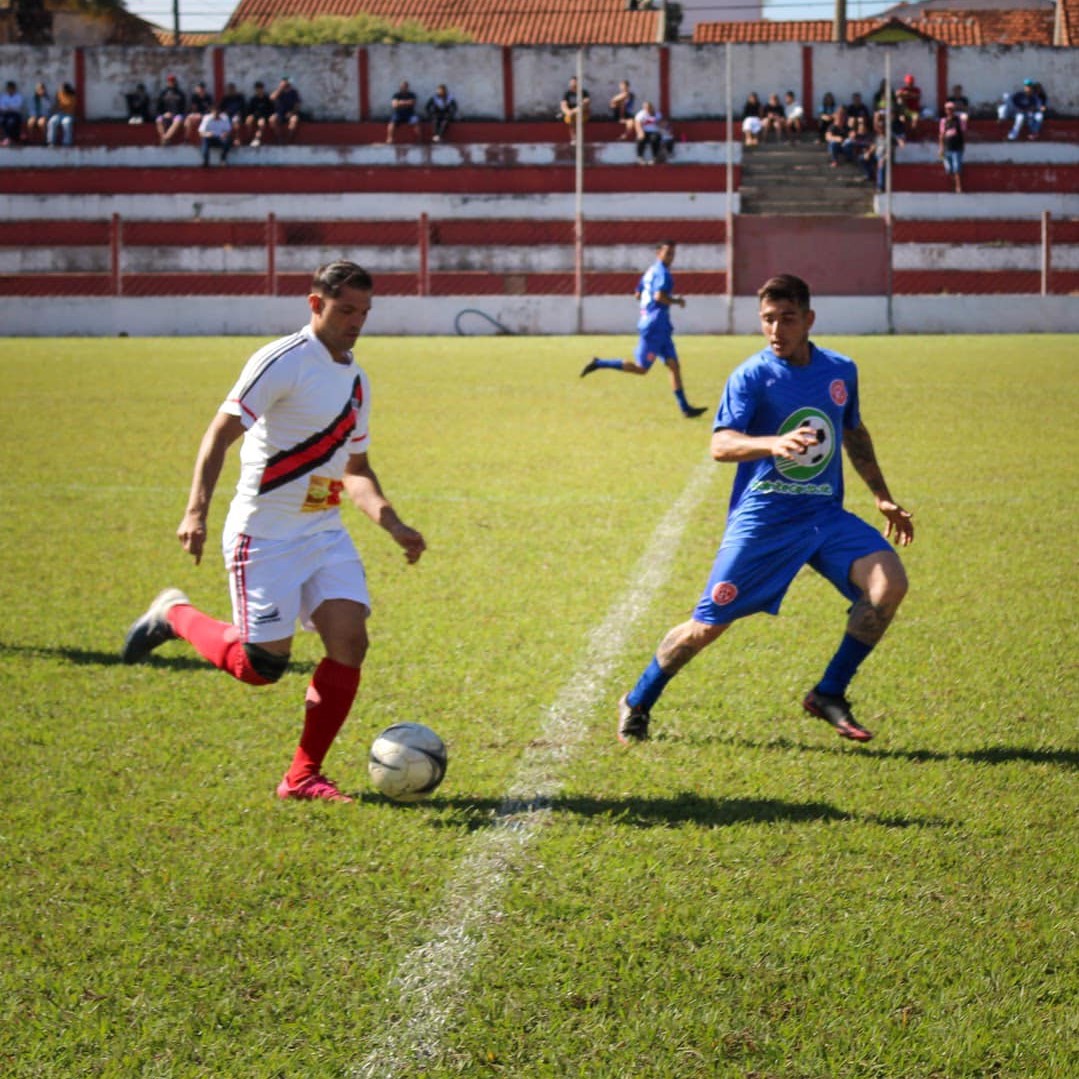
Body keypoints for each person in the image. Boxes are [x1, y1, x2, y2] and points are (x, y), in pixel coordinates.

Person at [120, 261, 426, 803]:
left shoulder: (356, 380)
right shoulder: (283, 360)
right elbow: (220, 433)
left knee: (350, 641)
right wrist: (195, 511)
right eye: (345, 309)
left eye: (364, 312)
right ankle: (174, 615)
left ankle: (302, 776)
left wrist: (393, 522)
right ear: (315, 304)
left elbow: (355, 471)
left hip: (323, 532)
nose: (357, 321)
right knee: (260, 668)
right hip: (263, 536)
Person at [617, 273, 913, 746]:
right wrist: (774, 443)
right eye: (768, 320)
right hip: (765, 520)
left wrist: (881, 494)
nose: (776, 330)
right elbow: (721, 444)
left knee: (889, 585)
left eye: (787, 319)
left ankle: (829, 692)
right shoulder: (752, 375)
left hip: (823, 517)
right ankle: (638, 699)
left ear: (809, 319)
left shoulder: (840, 371)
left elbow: (852, 430)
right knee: (705, 629)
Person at [579, 241, 707, 419]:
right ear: (658, 253)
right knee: (641, 369)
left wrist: (647, 309)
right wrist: (677, 301)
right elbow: (659, 296)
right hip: (655, 326)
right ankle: (599, 363)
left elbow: (637, 294)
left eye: (673, 253)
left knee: (673, 365)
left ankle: (685, 408)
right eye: (668, 253)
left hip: (660, 326)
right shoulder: (663, 273)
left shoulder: (650, 272)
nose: (671, 257)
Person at [938, 100, 966, 194]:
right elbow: (941, 135)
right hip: (947, 148)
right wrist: (941, 148)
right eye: (947, 109)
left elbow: (963, 132)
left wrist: (962, 145)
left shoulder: (959, 120)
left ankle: (958, 186)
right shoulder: (943, 121)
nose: (949, 110)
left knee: (956, 168)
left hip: (957, 148)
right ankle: (953, 185)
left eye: (951, 109)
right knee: (949, 169)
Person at [155, 75, 186, 146]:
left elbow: (182, 107)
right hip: (165, 114)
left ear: (175, 82)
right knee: (158, 120)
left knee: (177, 121)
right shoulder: (163, 93)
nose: (171, 82)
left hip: (177, 115)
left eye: (172, 81)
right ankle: (165, 139)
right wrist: (164, 114)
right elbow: (159, 107)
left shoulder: (180, 93)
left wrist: (173, 114)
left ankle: (165, 138)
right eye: (169, 81)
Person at [269, 76, 301, 144]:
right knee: (272, 119)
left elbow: (297, 105)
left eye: (287, 83)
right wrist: (280, 89)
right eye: (284, 82)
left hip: (290, 113)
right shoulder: (279, 92)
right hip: (280, 113)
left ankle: (288, 138)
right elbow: (272, 98)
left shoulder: (294, 92)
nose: (286, 85)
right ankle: (279, 137)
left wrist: (292, 113)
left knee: (294, 120)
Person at [386, 79, 420, 143]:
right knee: (391, 123)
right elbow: (394, 105)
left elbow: (413, 103)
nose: (404, 88)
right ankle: (390, 138)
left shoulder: (412, 95)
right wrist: (406, 102)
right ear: (400, 87)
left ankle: (418, 139)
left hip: (410, 114)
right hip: (398, 113)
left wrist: (400, 102)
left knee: (416, 122)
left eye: (405, 86)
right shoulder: (396, 95)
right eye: (402, 86)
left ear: (407, 87)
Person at [559, 76, 590, 143]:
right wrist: (568, 112)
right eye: (572, 82)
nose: (573, 84)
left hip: (582, 113)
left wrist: (574, 111)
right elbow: (563, 105)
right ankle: (574, 138)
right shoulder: (567, 94)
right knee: (571, 118)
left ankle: (580, 138)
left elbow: (586, 103)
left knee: (578, 117)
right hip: (570, 114)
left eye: (574, 82)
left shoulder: (584, 93)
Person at [45, 82, 76, 147]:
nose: (61, 90)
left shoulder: (72, 95)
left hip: (69, 114)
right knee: (52, 121)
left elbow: (68, 104)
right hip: (59, 114)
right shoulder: (59, 94)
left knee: (66, 123)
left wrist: (60, 105)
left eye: (63, 89)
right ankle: (51, 141)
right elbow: (56, 104)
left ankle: (66, 142)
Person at [633, 100, 664, 164]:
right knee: (640, 139)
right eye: (646, 107)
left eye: (649, 107)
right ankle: (640, 157)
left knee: (655, 139)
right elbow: (637, 124)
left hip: (654, 132)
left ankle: (655, 157)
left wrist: (658, 122)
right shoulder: (641, 114)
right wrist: (640, 132)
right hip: (644, 131)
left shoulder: (657, 114)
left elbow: (661, 123)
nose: (648, 109)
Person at [245, 81, 273, 148]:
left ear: (262, 89)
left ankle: (257, 139)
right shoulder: (253, 99)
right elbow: (249, 110)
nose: (259, 90)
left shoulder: (267, 99)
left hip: (264, 116)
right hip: (255, 115)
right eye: (257, 88)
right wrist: (250, 116)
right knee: (248, 120)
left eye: (260, 88)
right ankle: (250, 137)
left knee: (261, 123)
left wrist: (267, 116)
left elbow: (271, 109)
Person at [0, 81, 24, 146]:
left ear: (14, 89)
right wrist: (10, 107)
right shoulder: (4, 96)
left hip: (15, 115)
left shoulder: (18, 96)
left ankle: (11, 139)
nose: (10, 90)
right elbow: (1, 106)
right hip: (5, 114)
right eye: (9, 88)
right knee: (2, 120)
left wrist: (8, 107)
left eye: (11, 88)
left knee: (11, 122)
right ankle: (5, 138)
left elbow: (18, 106)